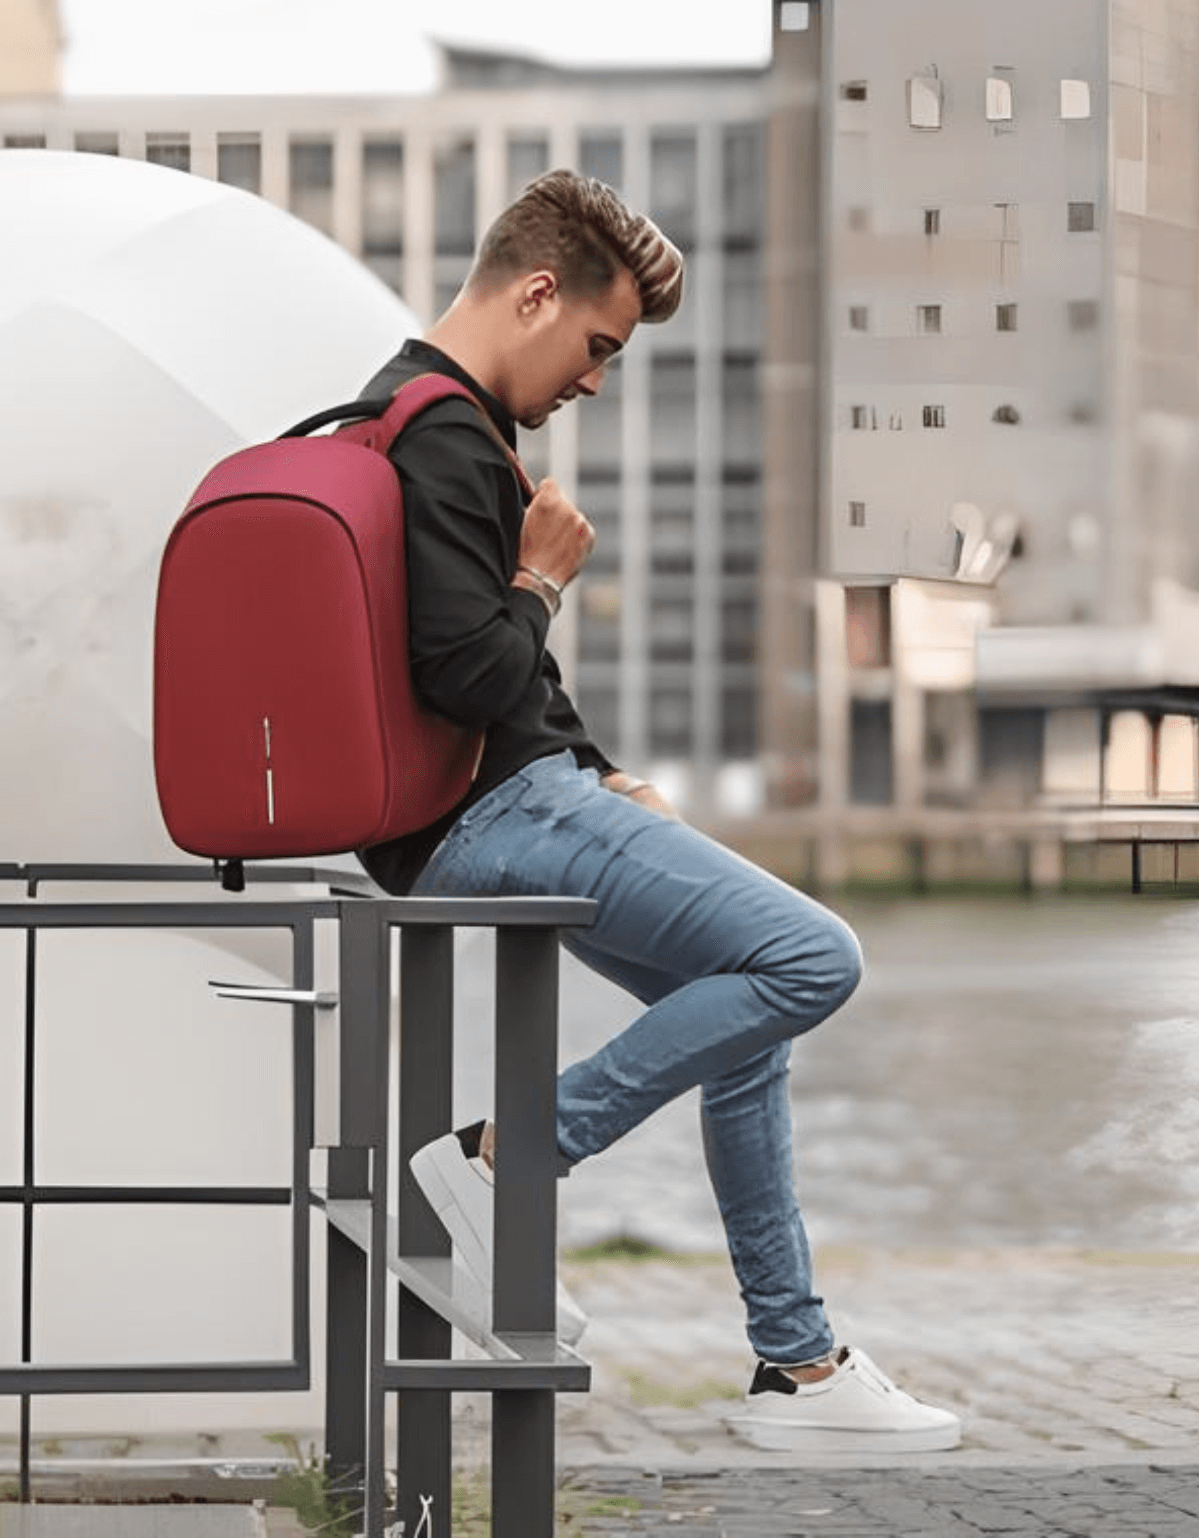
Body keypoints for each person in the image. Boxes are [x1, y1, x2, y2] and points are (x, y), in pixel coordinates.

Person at [354, 169, 959, 1453]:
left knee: (744, 1021)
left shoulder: (409, 413)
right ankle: (504, 1162)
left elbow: (503, 686)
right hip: (498, 820)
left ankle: (796, 1369)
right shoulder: (451, 440)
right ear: (534, 293)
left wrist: (600, 765)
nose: (594, 381)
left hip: (513, 801)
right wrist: (545, 576)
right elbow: (467, 671)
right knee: (811, 955)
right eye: (598, 347)